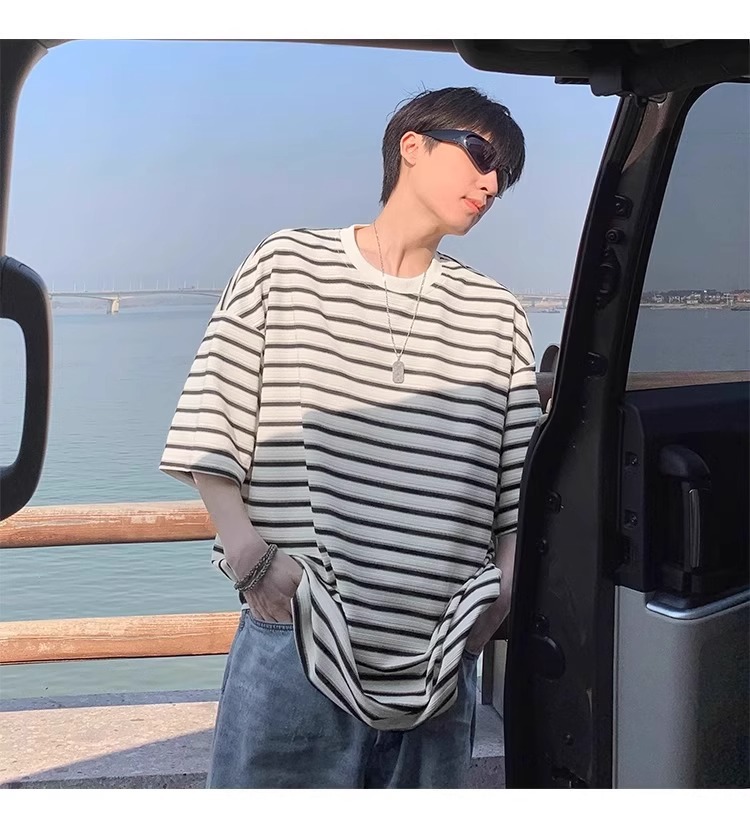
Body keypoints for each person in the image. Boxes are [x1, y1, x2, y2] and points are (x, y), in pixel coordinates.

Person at [159, 86, 541, 788]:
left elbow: (519, 480)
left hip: (441, 652)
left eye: (505, 175)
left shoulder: (496, 314)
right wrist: (248, 556)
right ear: (412, 146)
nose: (491, 184)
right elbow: (214, 413)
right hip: (298, 630)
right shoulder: (286, 265)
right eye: (481, 155)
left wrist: (502, 596)